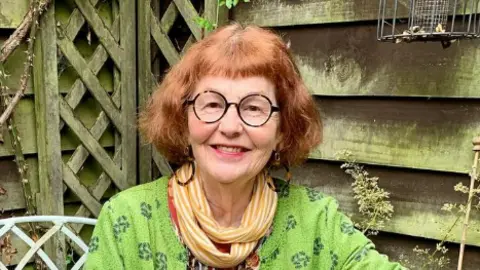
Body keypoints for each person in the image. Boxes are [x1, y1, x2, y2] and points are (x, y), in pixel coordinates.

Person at [84, 23, 405, 270]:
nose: (230, 127)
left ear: (282, 130)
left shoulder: (317, 221)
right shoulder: (128, 220)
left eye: (254, 107)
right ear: (184, 120)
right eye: (211, 104)